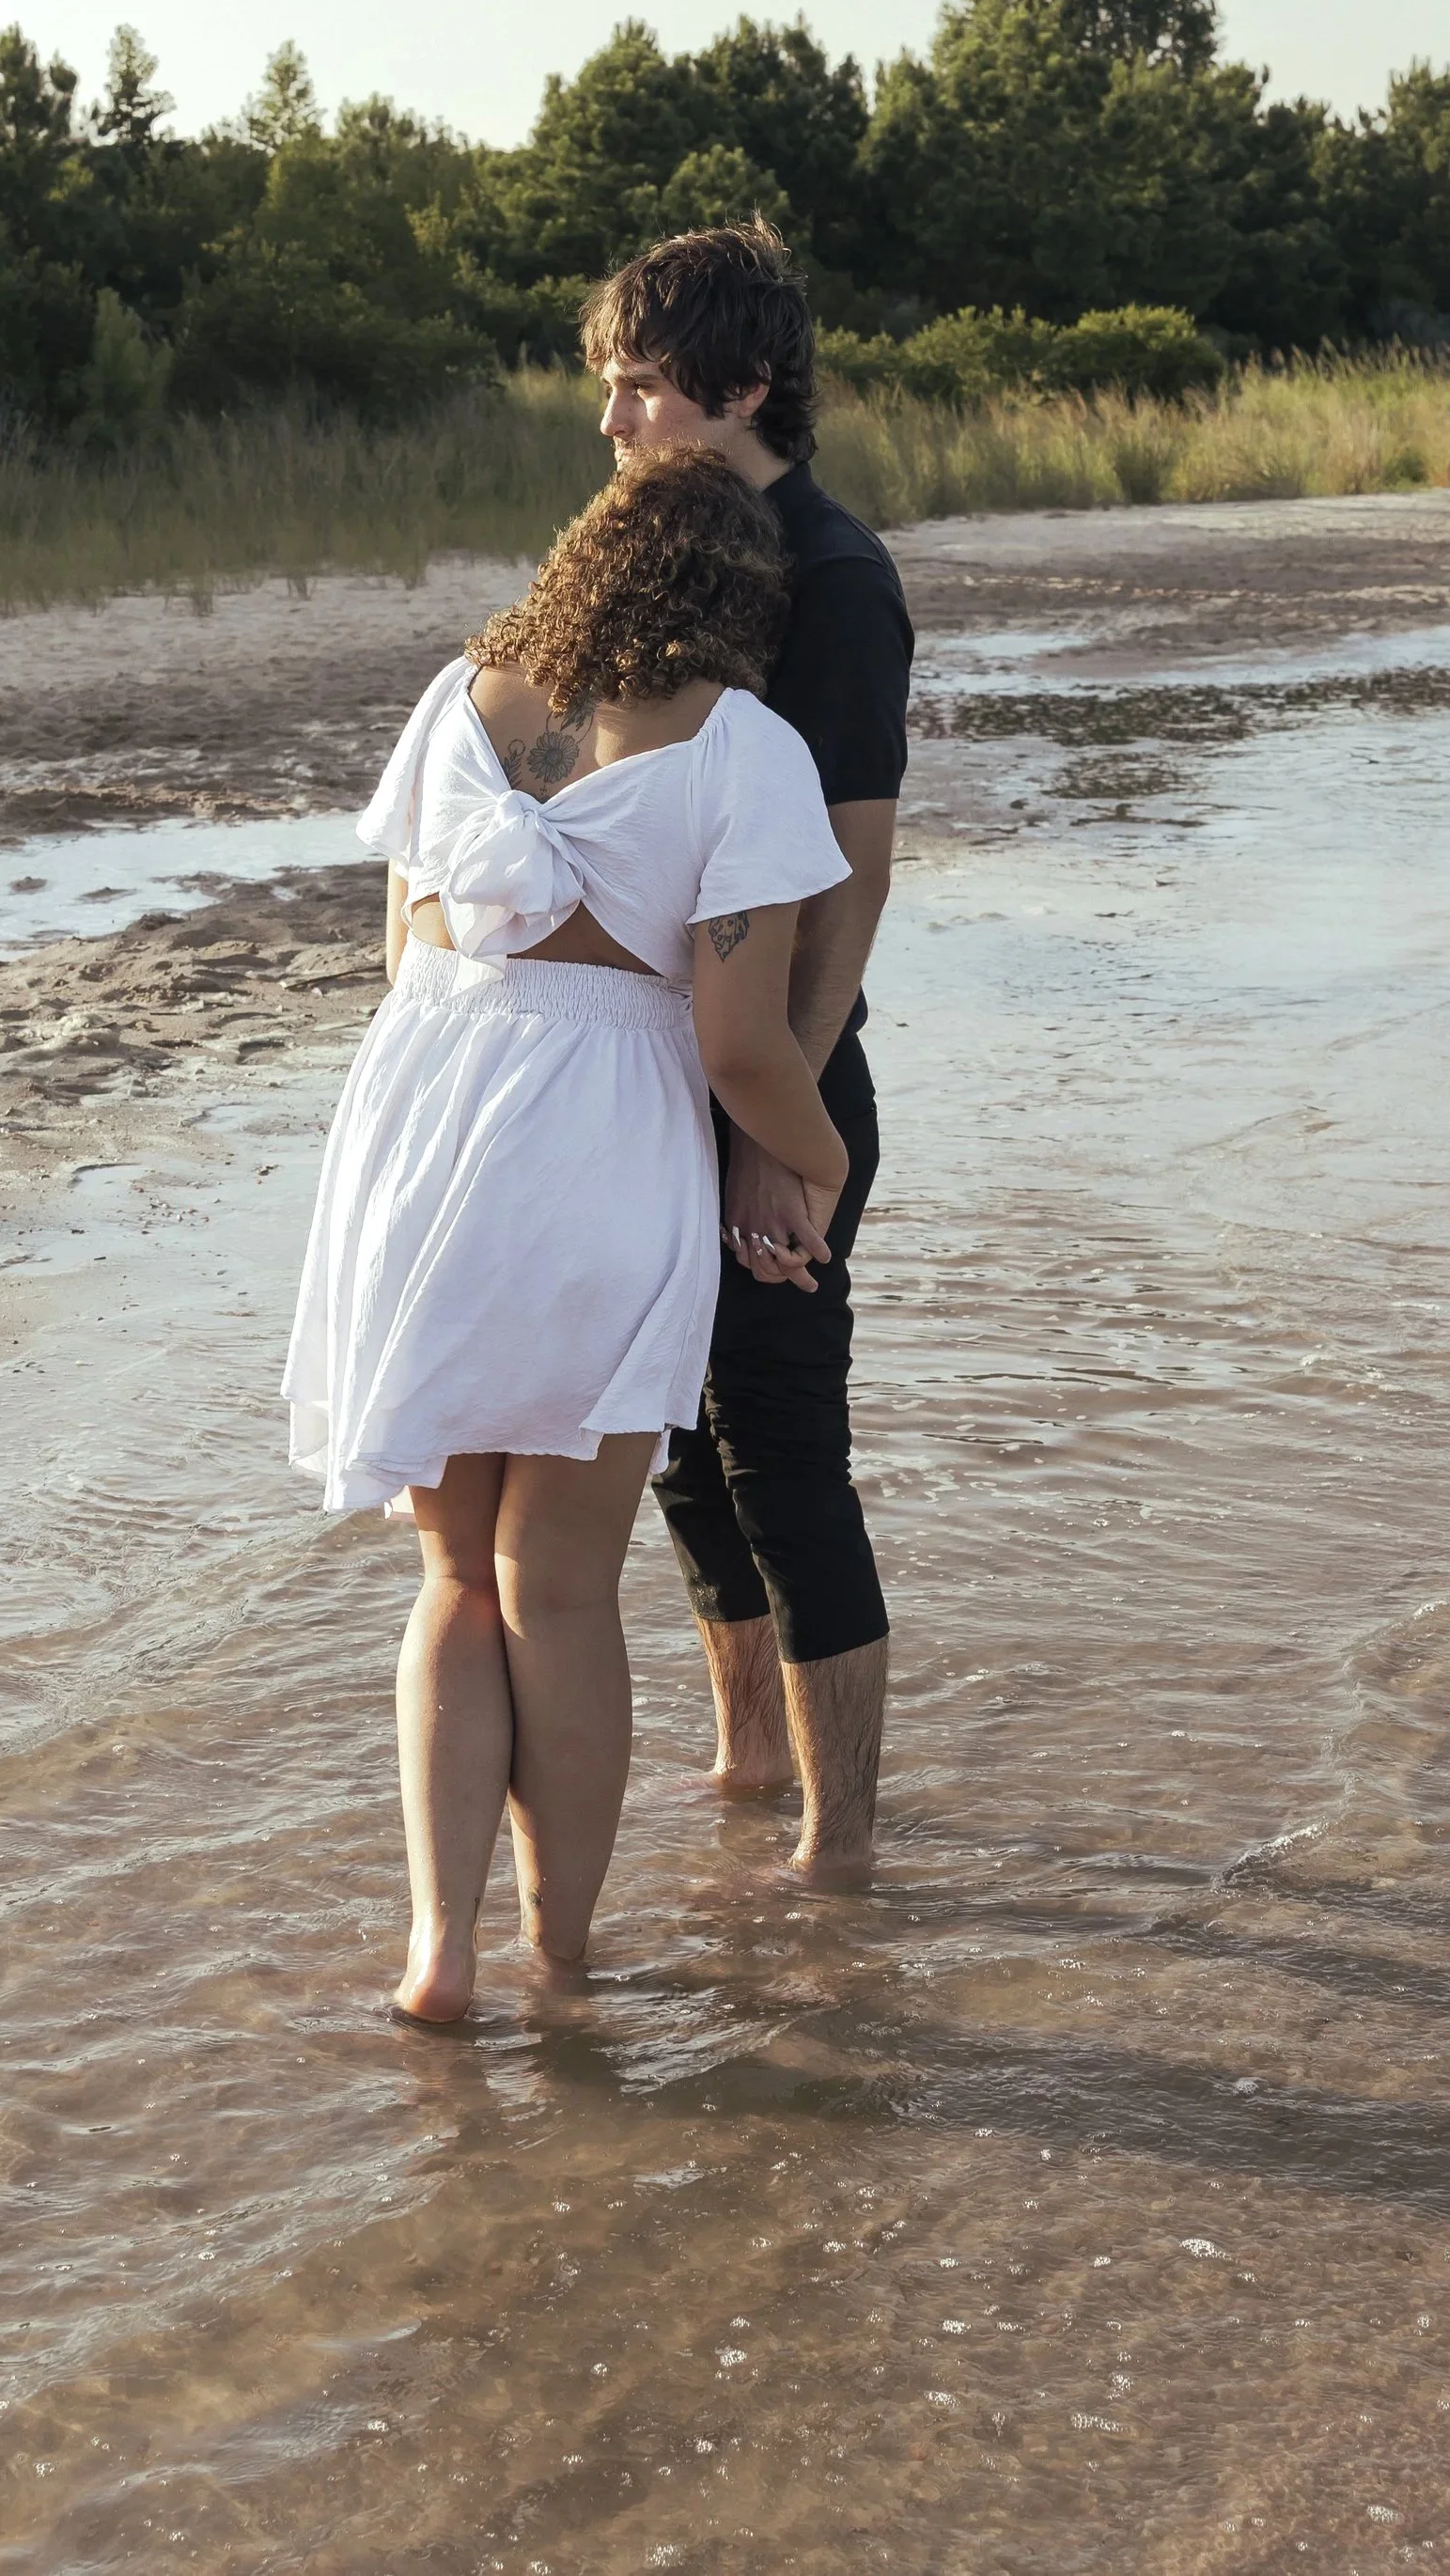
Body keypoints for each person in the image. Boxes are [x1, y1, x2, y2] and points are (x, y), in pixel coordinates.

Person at [283, 445, 853, 2024]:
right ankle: (562, 1955)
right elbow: (743, 1045)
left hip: (425, 1127)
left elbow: (403, 942)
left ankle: (438, 1954)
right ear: (744, 599)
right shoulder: (747, 747)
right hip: (599, 1138)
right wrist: (821, 1155)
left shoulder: (466, 699)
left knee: (455, 1574)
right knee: (564, 1585)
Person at [584, 223, 912, 1885]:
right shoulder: (664, 554)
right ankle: (741, 1759)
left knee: (786, 1457)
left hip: (777, 1077)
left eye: (640, 390)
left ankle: (837, 1858)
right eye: (614, 390)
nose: (615, 425)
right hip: (654, 1074)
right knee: (680, 1453)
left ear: (744, 387)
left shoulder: (834, 579)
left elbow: (852, 874)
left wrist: (772, 1120)